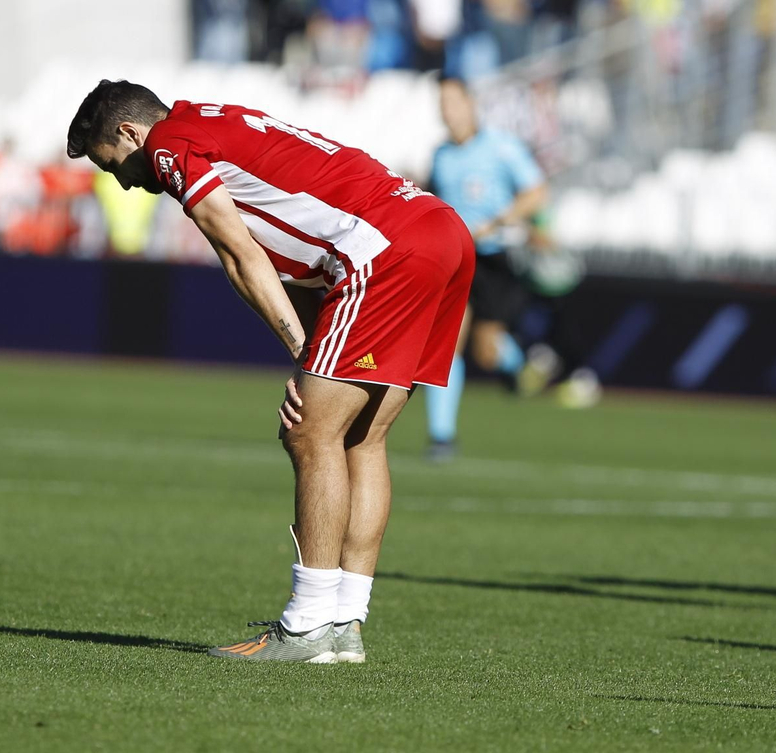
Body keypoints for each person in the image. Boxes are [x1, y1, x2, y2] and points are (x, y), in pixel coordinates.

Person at [66, 81, 474, 663]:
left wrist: (304, 356)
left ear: (131, 133)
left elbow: (239, 253)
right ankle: (343, 626)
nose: (125, 181)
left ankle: (307, 626)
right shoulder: (215, 120)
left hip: (386, 249)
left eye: (114, 165)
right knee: (361, 438)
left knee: (309, 431)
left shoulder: (168, 146)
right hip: (439, 229)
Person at [421, 78, 549, 459]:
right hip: (457, 259)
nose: (448, 110)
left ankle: (517, 366)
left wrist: (498, 221)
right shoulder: (441, 155)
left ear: (470, 104)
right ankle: (441, 436)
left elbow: (537, 192)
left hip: (493, 258)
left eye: (454, 101)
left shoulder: (501, 148)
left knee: (487, 351)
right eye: (442, 102)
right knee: (446, 344)